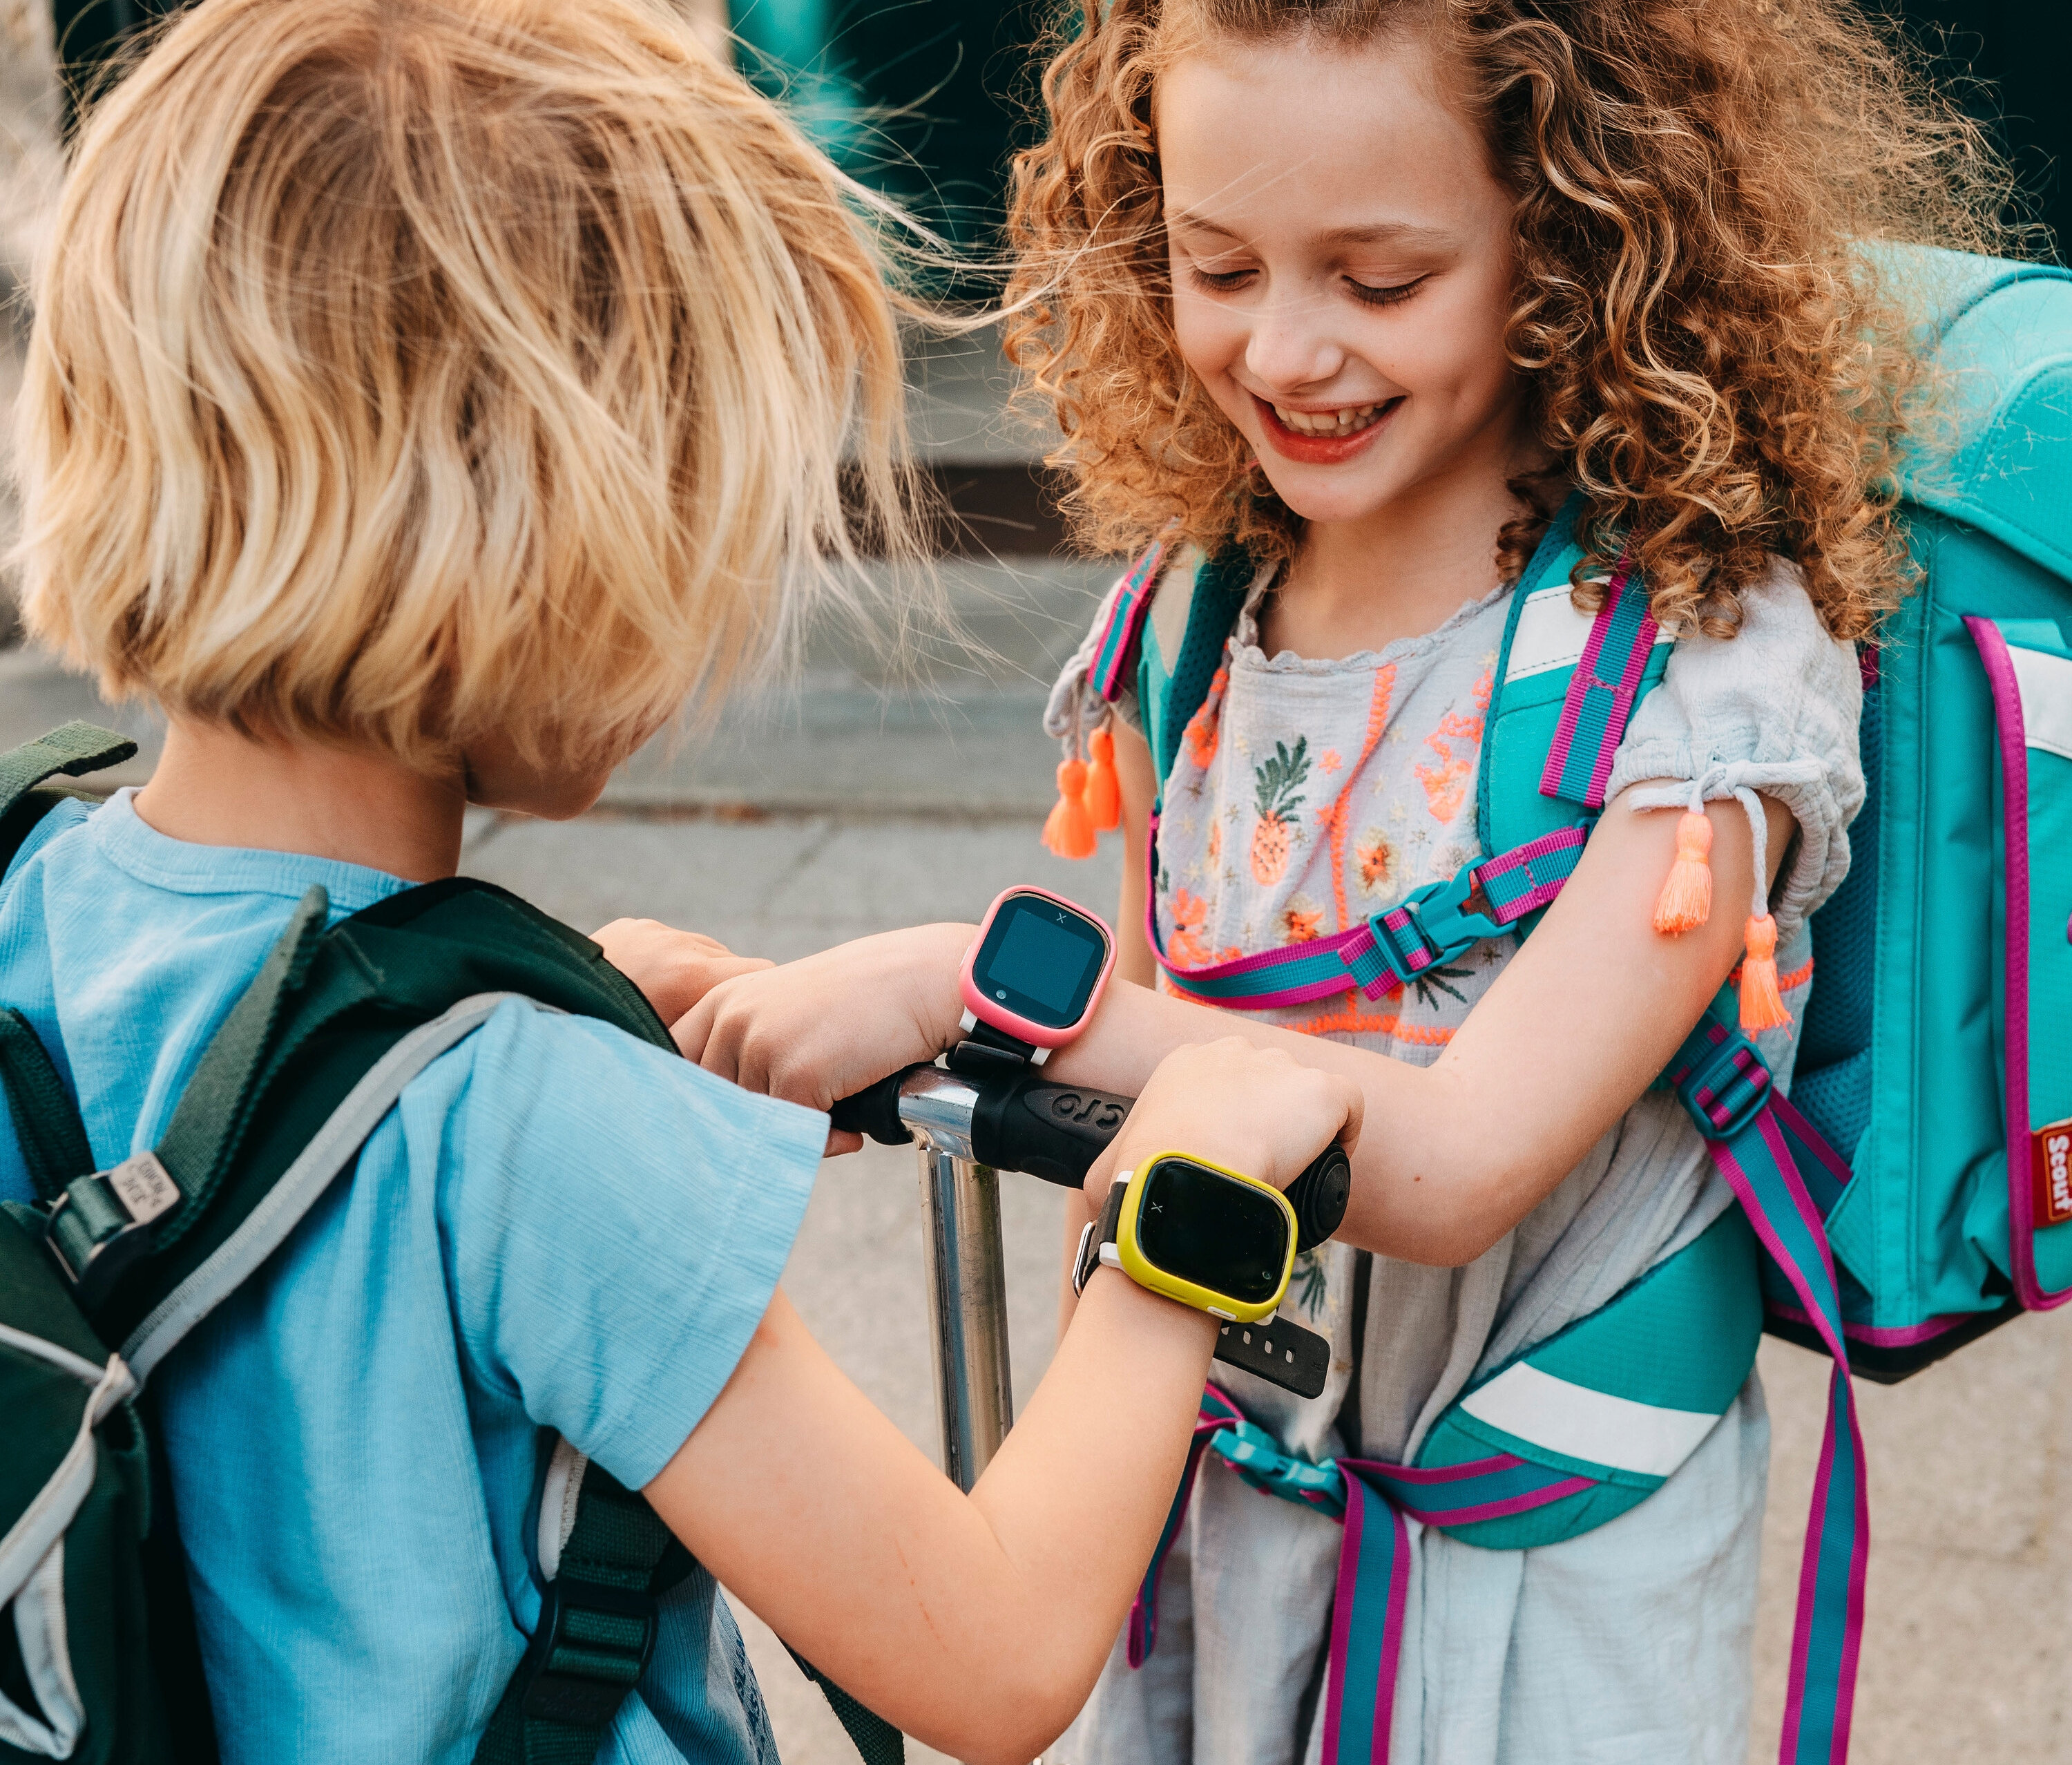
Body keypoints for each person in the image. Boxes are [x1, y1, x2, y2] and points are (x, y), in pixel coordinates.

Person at [0, 3, 1367, 1762]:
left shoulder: (37, 880)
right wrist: (1186, 1204)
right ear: (562, 541)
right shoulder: (533, 1124)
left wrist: (510, 997)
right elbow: (1001, 1647)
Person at [680, 1, 2023, 1759]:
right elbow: (1179, 1040)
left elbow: (1458, 1163)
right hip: (1208, 1526)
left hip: (1537, 1595)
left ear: (1572, 238)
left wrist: (974, 995)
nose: (1289, 352)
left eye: (1379, 283)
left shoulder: (1705, 675)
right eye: (1218, 265)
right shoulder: (1205, 607)